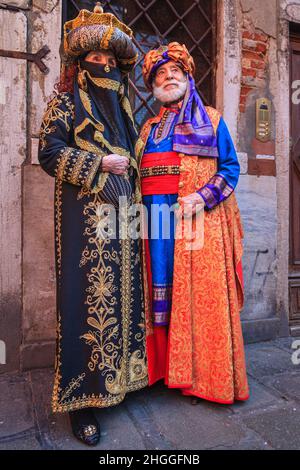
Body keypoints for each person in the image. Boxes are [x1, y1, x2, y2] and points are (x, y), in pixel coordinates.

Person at [38, 3, 147, 446]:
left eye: (110, 61)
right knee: (86, 305)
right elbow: (49, 153)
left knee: (124, 303)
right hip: (86, 228)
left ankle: (117, 384)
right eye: (95, 60)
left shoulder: (124, 112)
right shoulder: (64, 103)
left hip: (125, 225)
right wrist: (99, 162)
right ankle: (81, 401)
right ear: (80, 65)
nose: (103, 67)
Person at [137, 42, 249, 405]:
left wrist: (201, 197)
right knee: (159, 291)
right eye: (160, 74)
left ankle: (199, 376)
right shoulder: (146, 128)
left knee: (195, 298)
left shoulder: (213, 120)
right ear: (152, 85)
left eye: (175, 73)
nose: (168, 78)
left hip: (196, 221)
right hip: (153, 220)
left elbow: (230, 170)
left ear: (187, 77)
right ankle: (163, 370)